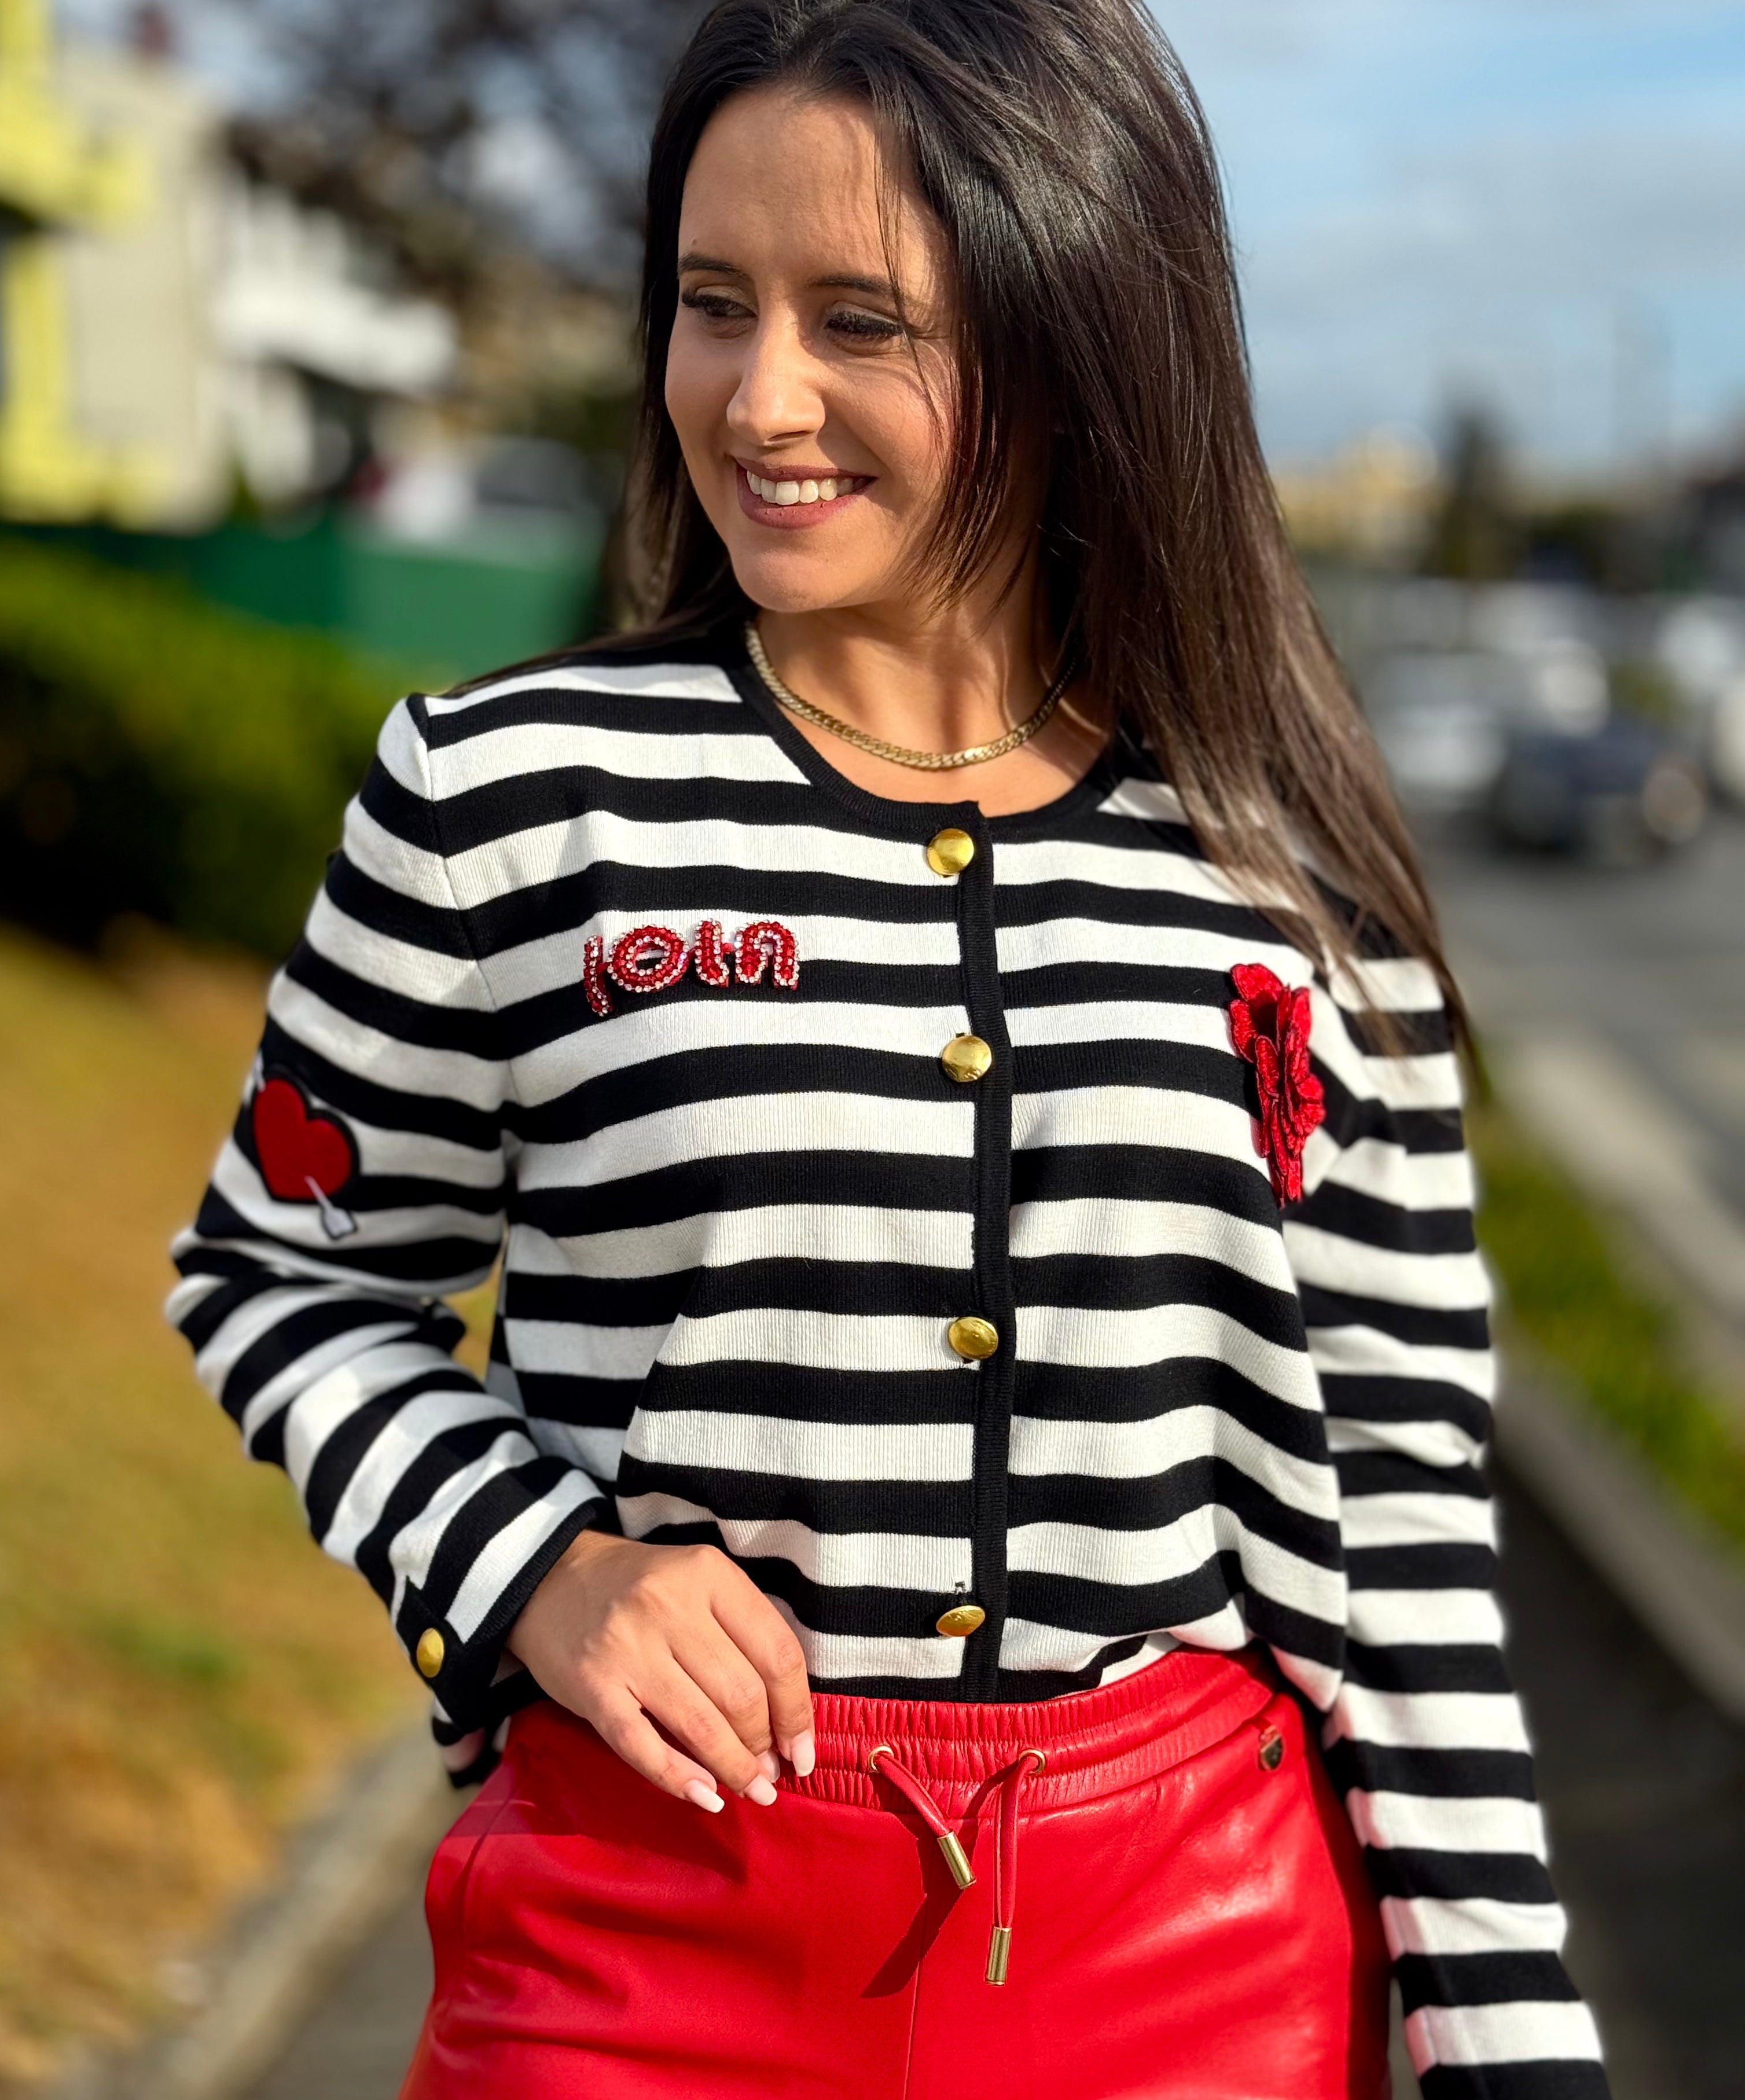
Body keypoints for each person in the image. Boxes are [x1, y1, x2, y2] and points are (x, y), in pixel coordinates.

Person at [167, 1, 1610, 2094]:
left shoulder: (1299, 887)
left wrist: (1514, 2042)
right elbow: (279, 1278)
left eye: (862, 321)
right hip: (640, 1946)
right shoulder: (500, 799)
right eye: (712, 303)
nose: (760, 399)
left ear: (1076, 329)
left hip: (1205, 1975)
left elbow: (1400, 1524)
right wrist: (539, 1568)